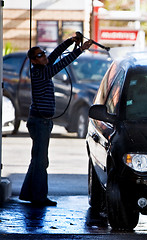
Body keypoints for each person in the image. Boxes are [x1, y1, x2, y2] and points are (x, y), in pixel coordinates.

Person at [19, 34, 93, 206]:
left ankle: (28, 193)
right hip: (40, 122)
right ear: (33, 61)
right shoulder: (41, 73)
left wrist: (70, 41)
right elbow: (61, 63)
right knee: (41, 161)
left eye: (43, 53)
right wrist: (80, 49)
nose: (44, 56)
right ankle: (39, 197)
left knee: (37, 159)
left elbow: (55, 55)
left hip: (41, 121)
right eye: (39, 56)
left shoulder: (42, 67)